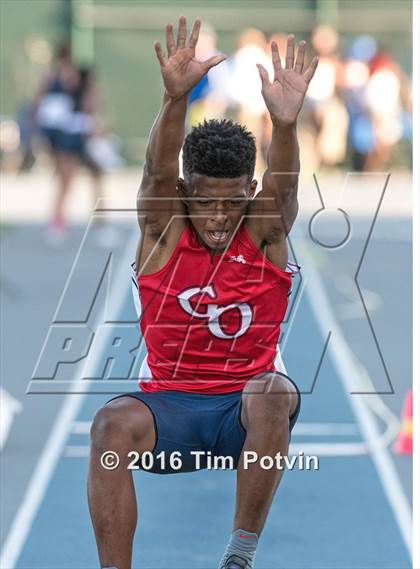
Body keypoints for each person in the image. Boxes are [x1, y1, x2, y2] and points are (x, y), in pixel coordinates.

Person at [88, 17, 317, 569]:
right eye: (206, 201)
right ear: (186, 193)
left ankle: (239, 556)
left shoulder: (264, 233)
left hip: (243, 416)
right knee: (110, 425)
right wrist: (174, 99)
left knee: (272, 392)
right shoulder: (162, 235)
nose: (218, 217)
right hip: (174, 412)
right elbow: (155, 171)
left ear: (250, 194)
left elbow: (282, 190)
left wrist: (284, 126)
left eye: (233, 202)